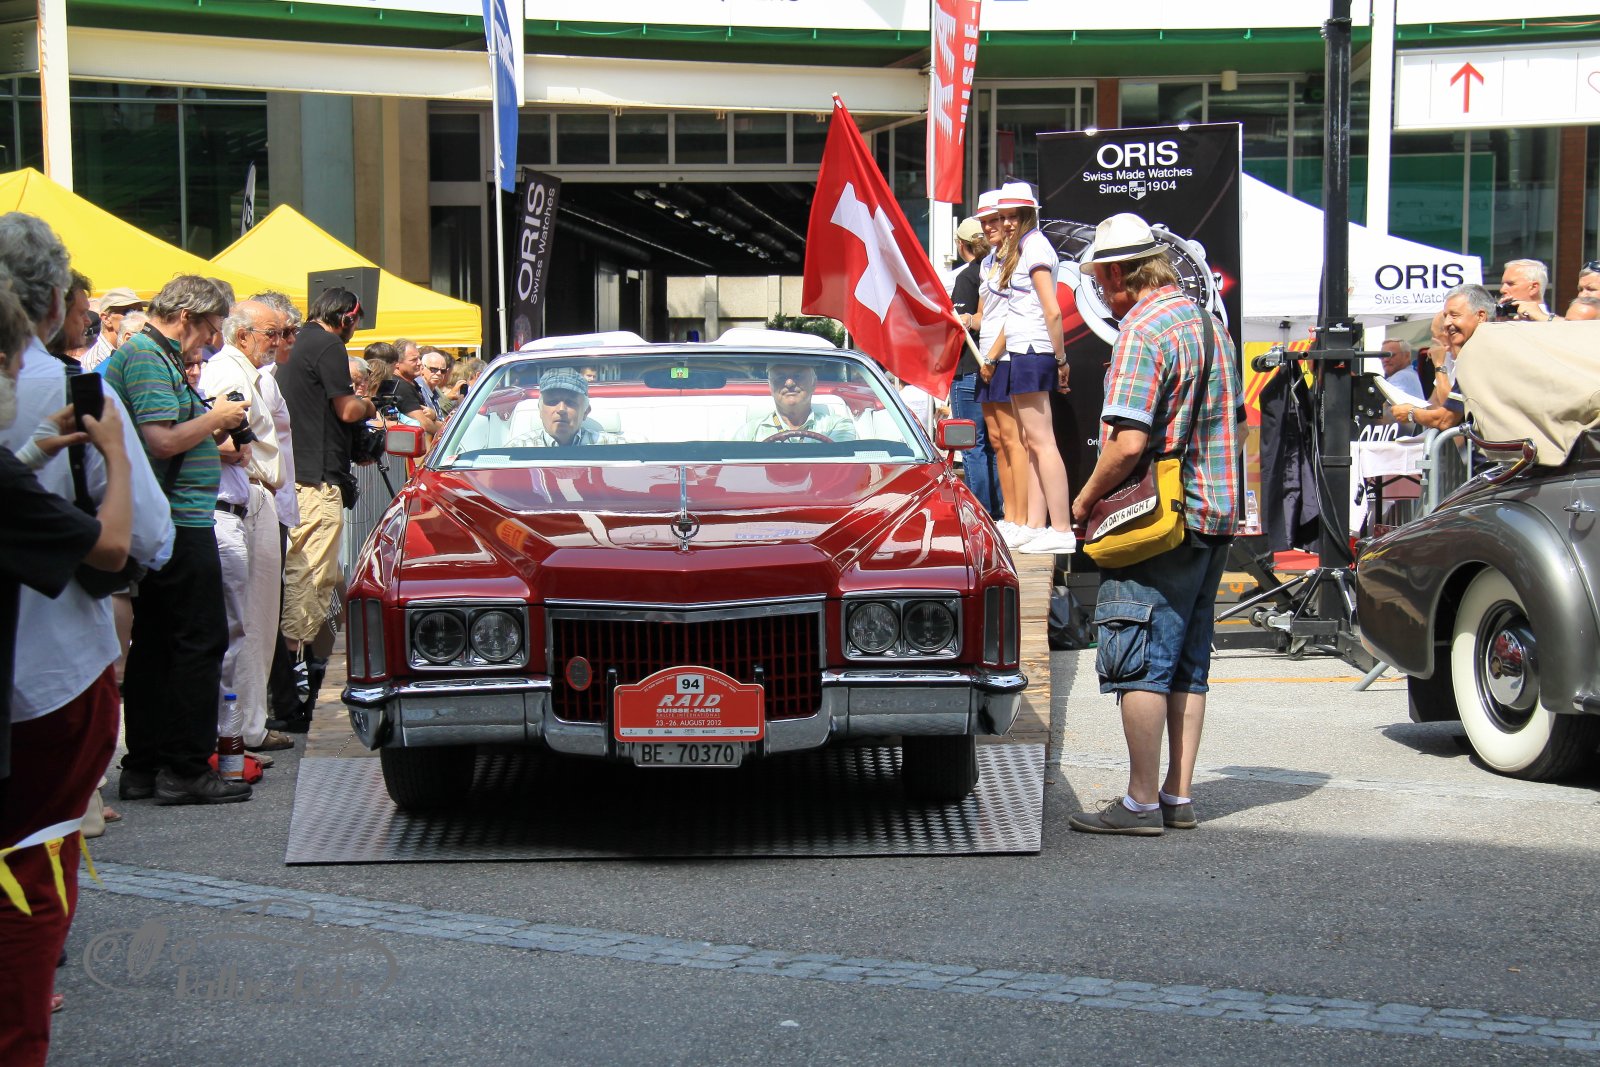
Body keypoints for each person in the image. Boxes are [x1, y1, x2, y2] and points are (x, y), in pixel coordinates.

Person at [1066, 212, 1240, 837]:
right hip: (1214, 511)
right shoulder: (1210, 324)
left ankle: (1140, 802)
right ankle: (1177, 795)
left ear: (1119, 274)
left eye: (1100, 280)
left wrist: (1084, 500)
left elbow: (1128, 442)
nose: (1102, 292)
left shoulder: (1142, 330)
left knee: (1140, 658)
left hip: (1159, 518)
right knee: (1189, 663)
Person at [0, 272, 136, 1067]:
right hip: (35, 698)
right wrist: (115, 455)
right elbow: (115, 547)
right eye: (13, 360)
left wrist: (29, 452)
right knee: (28, 878)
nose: (23, 373)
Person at [100, 275, 253, 805]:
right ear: (186, 315)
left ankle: (145, 765)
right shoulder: (148, 356)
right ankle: (184, 767)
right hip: (178, 522)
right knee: (198, 640)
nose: (211, 341)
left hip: (170, 519)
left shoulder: (153, 355)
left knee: (160, 644)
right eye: (211, 328)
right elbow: (161, 441)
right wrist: (215, 417)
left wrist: (209, 426)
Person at [277, 287, 375, 728]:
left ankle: (307, 679)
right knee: (311, 580)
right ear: (347, 318)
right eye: (356, 321)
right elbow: (348, 409)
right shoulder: (329, 345)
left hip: (302, 477)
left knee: (325, 579)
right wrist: (370, 403)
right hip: (315, 483)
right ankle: (288, 694)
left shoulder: (300, 343)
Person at [200, 299, 294, 757]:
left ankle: (248, 728)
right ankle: (236, 732)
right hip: (241, 497)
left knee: (257, 620)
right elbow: (214, 433)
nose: (278, 342)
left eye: (280, 333)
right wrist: (235, 451)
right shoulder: (227, 371)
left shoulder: (251, 373)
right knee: (246, 622)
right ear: (243, 336)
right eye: (271, 333)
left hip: (255, 494)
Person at [989, 181, 1075, 555]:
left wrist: (1060, 358)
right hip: (1024, 350)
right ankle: (1037, 525)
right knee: (1031, 441)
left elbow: (1052, 309)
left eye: (1014, 216)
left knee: (1041, 441)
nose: (1007, 223)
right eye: (1004, 216)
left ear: (1029, 215)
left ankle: (1062, 528)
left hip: (1033, 349)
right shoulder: (1026, 247)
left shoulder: (1036, 247)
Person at [971, 190, 1028, 542]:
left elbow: (1016, 314)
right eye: (984, 222)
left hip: (1005, 357)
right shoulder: (987, 262)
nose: (989, 227)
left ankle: (1021, 517)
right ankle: (1010, 516)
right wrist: (961, 318)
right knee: (995, 439)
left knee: (1012, 438)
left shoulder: (1019, 257)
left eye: (994, 220)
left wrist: (993, 356)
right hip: (986, 357)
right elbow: (983, 316)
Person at [948, 213, 1000, 518]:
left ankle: (981, 512)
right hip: (993, 366)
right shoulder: (993, 272)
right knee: (994, 444)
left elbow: (958, 328)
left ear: (961, 244)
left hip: (968, 369)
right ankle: (1000, 509)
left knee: (972, 445)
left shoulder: (967, 277)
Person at [1391, 284, 1491, 432]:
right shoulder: (1469, 357)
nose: (1447, 323)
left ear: (1481, 316)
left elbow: (1446, 418)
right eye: (1446, 317)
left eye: (1454, 315)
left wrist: (1411, 413)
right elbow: (1434, 405)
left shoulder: (1480, 357)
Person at [734, 361, 857, 442]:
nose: (789, 383)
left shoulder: (837, 426)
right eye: (780, 377)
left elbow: (840, 466)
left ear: (814, 383)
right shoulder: (749, 432)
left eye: (798, 376)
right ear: (770, 386)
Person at [506, 368, 624, 447]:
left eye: (570, 402)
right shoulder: (517, 449)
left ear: (585, 412)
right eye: (552, 401)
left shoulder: (611, 447)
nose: (561, 409)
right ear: (540, 410)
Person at [81, 287, 144, 372]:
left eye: (140, 311)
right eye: (128, 311)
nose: (137, 316)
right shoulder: (94, 362)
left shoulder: (137, 351)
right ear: (106, 319)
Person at [386, 340, 439, 435]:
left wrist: (434, 416)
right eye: (414, 360)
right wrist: (444, 433)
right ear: (397, 363)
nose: (419, 363)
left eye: (419, 358)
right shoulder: (400, 386)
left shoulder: (410, 383)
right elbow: (424, 424)